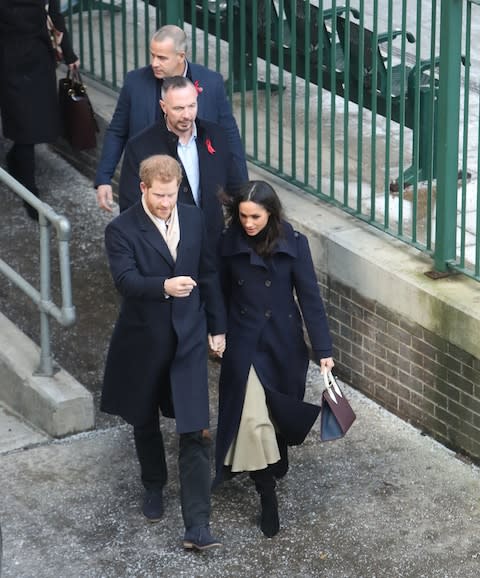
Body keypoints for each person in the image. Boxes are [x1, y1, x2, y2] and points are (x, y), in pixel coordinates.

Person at [101, 154, 227, 551]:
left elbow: (207, 272)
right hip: (144, 340)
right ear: (143, 188)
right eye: (158, 196)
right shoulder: (120, 229)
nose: (165, 203)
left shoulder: (190, 217)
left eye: (171, 195)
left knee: (195, 428)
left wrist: (217, 327)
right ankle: (153, 485)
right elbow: (125, 280)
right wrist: (164, 287)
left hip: (188, 338)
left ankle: (198, 525)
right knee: (145, 420)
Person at [213, 180, 335, 538]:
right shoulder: (228, 244)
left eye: (255, 216)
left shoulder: (294, 245)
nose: (248, 223)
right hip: (244, 344)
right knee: (250, 419)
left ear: (272, 214)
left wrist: (324, 351)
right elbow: (218, 292)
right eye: (243, 216)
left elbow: (310, 298)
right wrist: (217, 331)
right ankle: (266, 494)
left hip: (283, 344)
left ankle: (277, 450)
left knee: (276, 412)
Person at [95, 24, 248, 212]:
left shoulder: (211, 82)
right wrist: (104, 178)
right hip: (150, 187)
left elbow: (229, 134)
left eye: (162, 58)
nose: (154, 63)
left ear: (181, 57)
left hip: (196, 188)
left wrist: (244, 190)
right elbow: (117, 131)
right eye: (152, 55)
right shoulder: (135, 82)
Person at [118, 75, 245, 250]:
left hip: (213, 245)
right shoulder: (140, 147)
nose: (187, 115)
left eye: (191, 106)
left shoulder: (216, 135)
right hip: (169, 250)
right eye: (178, 108)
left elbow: (236, 188)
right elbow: (130, 206)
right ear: (164, 107)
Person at [0, 0, 79, 220]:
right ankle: (29, 190)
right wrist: (69, 54)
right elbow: (56, 18)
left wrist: (70, 54)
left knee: (26, 121)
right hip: (33, 57)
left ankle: (19, 166)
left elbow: (55, 17)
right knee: (27, 123)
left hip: (16, 58)